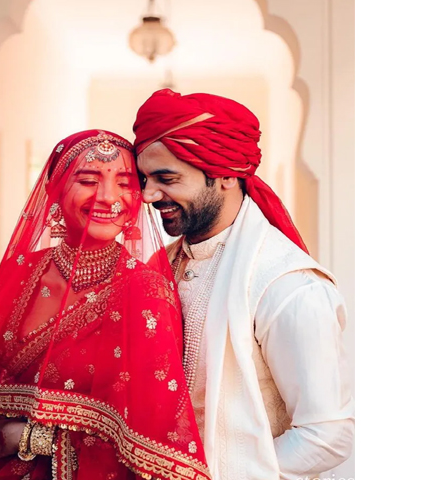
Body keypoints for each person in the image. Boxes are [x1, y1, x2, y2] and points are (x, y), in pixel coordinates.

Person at [0, 130, 211, 480]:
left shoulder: (145, 290)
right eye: (88, 181)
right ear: (54, 190)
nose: (109, 197)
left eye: (125, 184)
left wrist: (30, 438)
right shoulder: (22, 271)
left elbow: (155, 434)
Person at [133, 89, 354, 480]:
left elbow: (326, 436)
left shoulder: (286, 285)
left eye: (167, 178)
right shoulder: (161, 266)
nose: (148, 195)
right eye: (144, 179)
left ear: (226, 175)